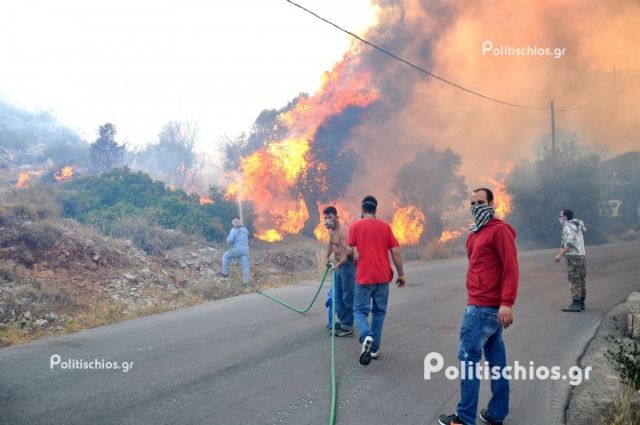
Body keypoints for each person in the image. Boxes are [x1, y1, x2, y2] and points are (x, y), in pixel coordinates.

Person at [440, 188, 519, 425]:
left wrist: (507, 303)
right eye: (473, 203)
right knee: (496, 363)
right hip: (482, 307)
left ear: (492, 203)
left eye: (481, 202)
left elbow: (511, 268)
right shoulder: (474, 233)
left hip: (483, 309)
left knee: (468, 362)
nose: (476, 207)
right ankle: (495, 414)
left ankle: (464, 419)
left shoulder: (500, 231)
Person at [346, 195, 405, 366]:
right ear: (375, 210)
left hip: (364, 277)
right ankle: (374, 349)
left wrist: (353, 262)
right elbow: (396, 253)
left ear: (362, 209)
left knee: (359, 311)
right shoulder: (385, 227)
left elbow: (349, 251)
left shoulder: (355, 226)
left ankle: (366, 335)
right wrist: (401, 274)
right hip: (382, 277)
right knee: (379, 313)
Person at [323, 206, 356, 337]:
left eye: (330, 217)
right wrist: (326, 257)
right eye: (325, 218)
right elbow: (331, 244)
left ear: (336, 217)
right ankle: (343, 321)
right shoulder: (331, 229)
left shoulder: (343, 231)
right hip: (338, 265)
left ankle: (347, 326)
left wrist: (339, 264)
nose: (327, 220)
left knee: (347, 296)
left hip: (347, 266)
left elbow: (350, 251)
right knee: (337, 296)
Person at [554, 209, 587, 312]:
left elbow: (569, 243)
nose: (559, 218)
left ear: (564, 217)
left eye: (560, 216)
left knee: (574, 280)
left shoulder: (568, 227)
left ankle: (576, 304)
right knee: (581, 280)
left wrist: (559, 255)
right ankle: (581, 303)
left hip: (573, 257)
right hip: (581, 255)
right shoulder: (576, 224)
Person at [221, 218, 250, 284]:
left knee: (225, 256)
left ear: (234, 223)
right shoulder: (245, 230)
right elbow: (247, 234)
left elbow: (230, 240)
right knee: (245, 266)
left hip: (238, 249)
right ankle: (246, 282)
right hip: (245, 250)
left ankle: (224, 273)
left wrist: (227, 240)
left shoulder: (233, 230)